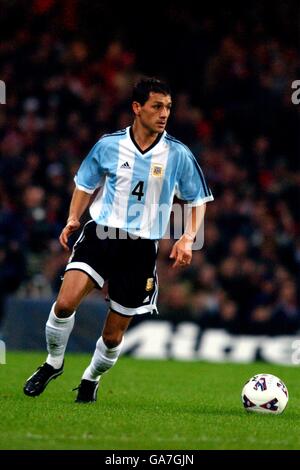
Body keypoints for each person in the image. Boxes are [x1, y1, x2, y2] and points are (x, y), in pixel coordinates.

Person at [23, 77, 214, 403]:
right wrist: (73, 217)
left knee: (112, 337)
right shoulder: (109, 145)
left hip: (141, 248)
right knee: (65, 302)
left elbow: (198, 199)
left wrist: (187, 237)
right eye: (157, 106)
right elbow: (85, 183)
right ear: (137, 108)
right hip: (101, 233)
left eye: (168, 107)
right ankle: (53, 362)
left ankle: (91, 377)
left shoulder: (178, 154)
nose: (164, 113)